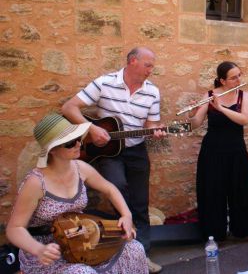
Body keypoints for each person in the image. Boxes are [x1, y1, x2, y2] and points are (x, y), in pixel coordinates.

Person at [61, 47, 166, 273]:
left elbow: (151, 125)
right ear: (133, 61)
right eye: (148, 64)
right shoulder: (104, 83)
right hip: (109, 152)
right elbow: (69, 107)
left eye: (152, 66)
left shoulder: (152, 92)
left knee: (140, 201)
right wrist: (91, 129)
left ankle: (142, 255)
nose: (151, 69)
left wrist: (156, 130)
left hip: (137, 150)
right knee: (117, 189)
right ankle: (122, 249)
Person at [6, 113, 147, 273]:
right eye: (70, 143)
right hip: (49, 251)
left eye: (78, 138)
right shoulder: (36, 182)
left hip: (83, 241)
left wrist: (126, 216)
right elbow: (14, 228)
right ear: (52, 150)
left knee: (134, 249)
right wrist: (38, 249)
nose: (78, 144)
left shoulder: (80, 167)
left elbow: (110, 189)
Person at [188, 61, 248, 243]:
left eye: (239, 75)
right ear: (222, 80)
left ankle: (245, 230)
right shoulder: (210, 95)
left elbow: (243, 119)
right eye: (233, 77)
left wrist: (220, 108)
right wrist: (193, 112)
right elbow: (195, 124)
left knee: (244, 190)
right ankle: (214, 234)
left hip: (236, 148)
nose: (238, 79)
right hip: (212, 149)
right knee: (213, 191)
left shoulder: (244, 96)